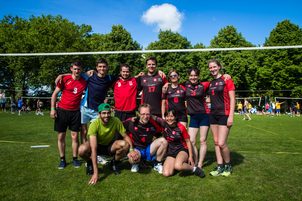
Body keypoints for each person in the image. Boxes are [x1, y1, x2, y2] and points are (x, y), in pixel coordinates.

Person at [56, 58, 118, 143]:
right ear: (96, 67)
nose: (102, 68)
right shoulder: (90, 76)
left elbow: (123, 77)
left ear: (107, 67)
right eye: (100, 66)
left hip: (97, 110)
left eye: (104, 66)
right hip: (85, 108)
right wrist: (62, 75)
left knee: (95, 132)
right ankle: (84, 151)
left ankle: (96, 152)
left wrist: (137, 77)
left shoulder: (110, 78)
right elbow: (76, 73)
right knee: (84, 132)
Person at [78, 103, 135, 185]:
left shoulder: (115, 120)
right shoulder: (94, 124)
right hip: (97, 146)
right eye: (104, 113)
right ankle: (90, 162)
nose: (106, 115)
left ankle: (114, 163)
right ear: (99, 114)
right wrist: (96, 173)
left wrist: (131, 149)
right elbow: (93, 149)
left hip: (109, 146)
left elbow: (125, 136)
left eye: (108, 113)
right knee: (81, 150)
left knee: (125, 144)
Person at [50, 61, 87, 169]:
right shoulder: (64, 79)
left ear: (81, 70)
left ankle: (75, 159)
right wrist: (52, 109)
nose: (77, 71)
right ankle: (62, 159)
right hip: (62, 111)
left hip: (75, 112)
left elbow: (91, 74)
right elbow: (54, 94)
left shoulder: (84, 81)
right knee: (61, 136)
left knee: (75, 137)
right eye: (75, 69)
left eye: (79, 69)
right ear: (71, 69)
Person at [151, 110, 205, 178]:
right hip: (171, 151)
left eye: (171, 116)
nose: (169, 118)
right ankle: (178, 164)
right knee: (166, 173)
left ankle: (194, 169)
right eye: (167, 116)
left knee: (178, 166)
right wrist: (138, 116)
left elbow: (188, 141)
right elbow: (154, 117)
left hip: (182, 150)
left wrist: (191, 156)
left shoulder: (181, 127)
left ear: (175, 117)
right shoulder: (164, 124)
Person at [208, 59, 235, 177]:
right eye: (210, 68)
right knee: (216, 142)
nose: (212, 69)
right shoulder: (210, 83)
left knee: (222, 143)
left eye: (214, 67)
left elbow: (233, 99)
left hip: (224, 114)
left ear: (219, 67)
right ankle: (220, 166)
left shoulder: (226, 79)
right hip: (213, 115)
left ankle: (228, 165)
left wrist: (231, 116)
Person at [123, 103, 167, 173]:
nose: (145, 116)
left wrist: (156, 136)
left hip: (149, 149)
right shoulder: (132, 122)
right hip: (137, 149)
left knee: (163, 141)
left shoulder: (153, 123)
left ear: (150, 114)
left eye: (147, 114)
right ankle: (136, 163)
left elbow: (161, 130)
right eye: (143, 114)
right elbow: (120, 129)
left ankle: (157, 164)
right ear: (139, 114)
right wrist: (130, 149)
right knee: (132, 159)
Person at [183, 67, 210, 171]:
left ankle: (200, 164)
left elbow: (217, 80)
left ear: (198, 76)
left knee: (202, 140)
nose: (193, 77)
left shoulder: (204, 85)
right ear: (188, 76)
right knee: (192, 141)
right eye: (191, 75)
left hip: (204, 115)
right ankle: (195, 160)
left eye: (195, 75)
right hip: (193, 116)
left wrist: (226, 76)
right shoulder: (185, 85)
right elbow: (173, 83)